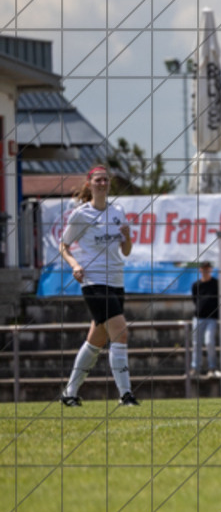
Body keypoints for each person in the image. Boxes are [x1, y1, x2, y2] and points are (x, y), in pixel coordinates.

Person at [59, 165, 140, 407]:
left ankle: (70, 392)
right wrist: (74, 265)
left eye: (105, 180)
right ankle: (126, 394)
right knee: (121, 332)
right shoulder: (81, 214)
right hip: (93, 282)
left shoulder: (118, 211)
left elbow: (125, 251)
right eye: (98, 180)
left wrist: (128, 237)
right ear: (89, 184)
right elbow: (63, 245)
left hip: (116, 281)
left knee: (96, 340)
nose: (102, 183)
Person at [191, 261, 221, 378]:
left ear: (211, 270)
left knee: (209, 342)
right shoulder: (196, 285)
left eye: (207, 268)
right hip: (198, 318)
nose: (205, 271)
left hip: (211, 318)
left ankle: (212, 368)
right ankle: (195, 368)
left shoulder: (216, 283)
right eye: (203, 269)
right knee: (196, 343)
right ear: (200, 270)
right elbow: (194, 300)